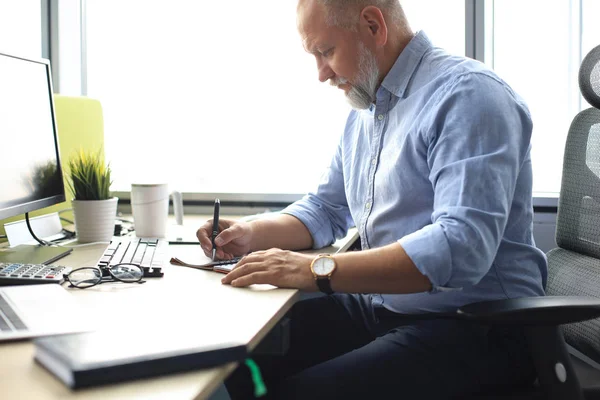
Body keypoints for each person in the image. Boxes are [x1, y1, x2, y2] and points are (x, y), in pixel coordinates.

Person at [196, 0, 547, 398]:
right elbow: (325, 209)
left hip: (479, 328)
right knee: (234, 359)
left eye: (326, 52)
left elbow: (460, 246)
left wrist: (314, 269)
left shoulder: (469, 96)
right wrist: (250, 233)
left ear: (372, 25)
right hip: (387, 310)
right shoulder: (366, 110)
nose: (321, 73)